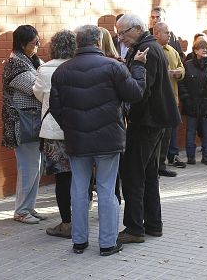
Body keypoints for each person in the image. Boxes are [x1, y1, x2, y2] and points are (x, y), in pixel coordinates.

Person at [49, 25, 148, 256]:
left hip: (76, 140)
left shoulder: (62, 70)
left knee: (79, 189)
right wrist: (139, 67)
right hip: (108, 139)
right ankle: (107, 243)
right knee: (106, 189)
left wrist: (71, 127)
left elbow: (56, 107)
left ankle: (79, 241)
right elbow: (135, 93)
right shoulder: (114, 66)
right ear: (98, 41)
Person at [115, 13, 180, 244]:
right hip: (154, 120)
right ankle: (153, 224)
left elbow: (141, 91)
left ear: (137, 28)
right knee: (149, 174)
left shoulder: (146, 50)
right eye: (118, 33)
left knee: (133, 174)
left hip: (146, 121)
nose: (120, 37)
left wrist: (130, 110)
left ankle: (134, 228)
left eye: (123, 32)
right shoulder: (147, 46)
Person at [1, 25, 48, 226]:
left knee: (34, 166)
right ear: (22, 44)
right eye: (34, 42)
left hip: (31, 121)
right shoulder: (15, 65)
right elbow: (38, 88)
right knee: (29, 166)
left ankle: (28, 207)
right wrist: (43, 73)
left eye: (38, 41)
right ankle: (21, 210)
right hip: (22, 122)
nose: (38, 45)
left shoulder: (29, 61)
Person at [33, 30, 77, 239]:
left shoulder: (45, 68)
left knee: (62, 178)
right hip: (77, 129)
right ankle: (80, 219)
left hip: (53, 130)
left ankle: (67, 223)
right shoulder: (78, 66)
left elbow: (39, 94)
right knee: (81, 175)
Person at [149, 7, 186, 171]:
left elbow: (181, 66)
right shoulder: (150, 49)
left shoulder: (172, 50)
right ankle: (156, 165)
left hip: (173, 97)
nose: (169, 35)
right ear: (157, 33)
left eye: (169, 33)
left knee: (169, 134)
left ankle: (162, 164)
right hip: (159, 100)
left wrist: (180, 73)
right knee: (159, 135)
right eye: (166, 33)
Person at [179, 38, 207, 164]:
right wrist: (186, 99)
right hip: (192, 103)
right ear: (195, 50)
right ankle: (190, 156)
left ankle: (206, 155)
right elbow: (182, 83)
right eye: (202, 47)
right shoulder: (188, 65)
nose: (205, 50)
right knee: (191, 131)